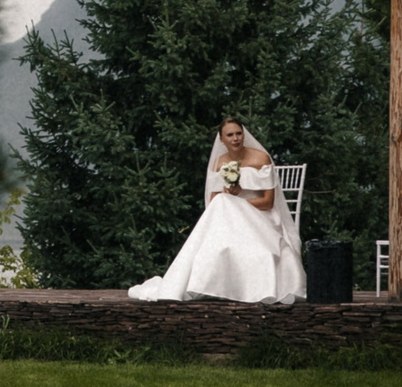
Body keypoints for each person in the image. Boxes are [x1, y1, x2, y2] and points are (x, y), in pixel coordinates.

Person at [127, 117, 304, 304]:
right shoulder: (220, 163)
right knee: (221, 201)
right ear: (222, 140)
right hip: (230, 220)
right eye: (230, 135)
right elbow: (213, 201)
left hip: (261, 217)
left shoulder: (261, 159)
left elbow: (268, 202)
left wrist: (238, 199)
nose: (235, 138)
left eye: (238, 133)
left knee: (224, 202)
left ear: (244, 135)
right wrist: (230, 195)